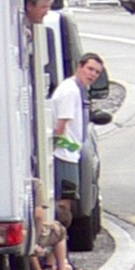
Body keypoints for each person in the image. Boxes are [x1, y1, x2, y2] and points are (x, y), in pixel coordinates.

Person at [51, 53, 103, 213]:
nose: (93, 74)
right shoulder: (70, 91)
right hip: (64, 155)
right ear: (79, 67)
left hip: (71, 154)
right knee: (64, 206)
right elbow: (60, 126)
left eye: (97, 72)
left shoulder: (77, 90)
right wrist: (62, 147)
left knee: (68, 202)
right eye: (90, 69)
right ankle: (60, 237)